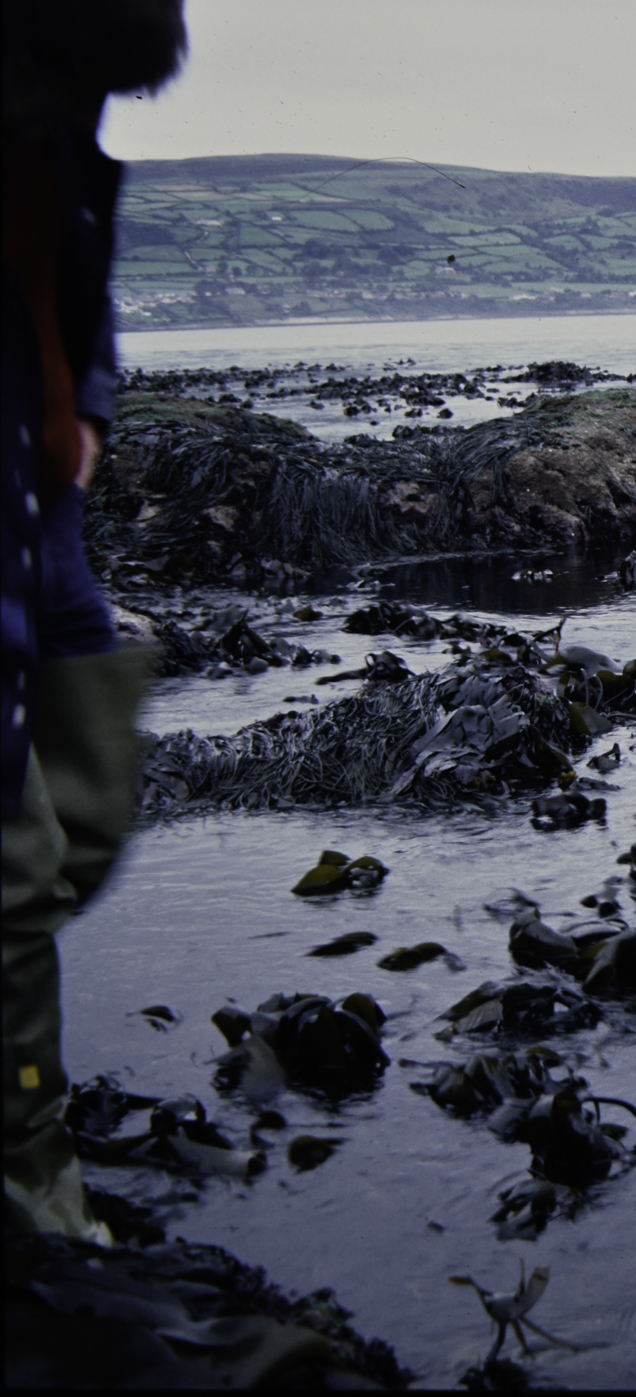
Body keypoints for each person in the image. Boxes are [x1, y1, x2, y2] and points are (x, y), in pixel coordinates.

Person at [3, 0, 186, 1241]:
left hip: (44, 489)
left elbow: (72, 275)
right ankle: (32, 1185)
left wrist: (92, 416)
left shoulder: (53, 127)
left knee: (87, 804)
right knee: (13, 868)